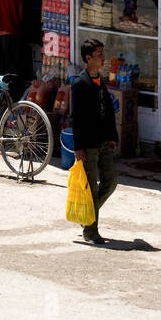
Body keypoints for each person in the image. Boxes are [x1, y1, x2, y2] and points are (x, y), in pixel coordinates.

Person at [70, 38, 119, 244]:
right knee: (90, 187)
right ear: (88, 58)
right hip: (88, 145)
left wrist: (112, 137)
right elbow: (77, 118)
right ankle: (91, 232)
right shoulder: (79, 84)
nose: (103, 57)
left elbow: (107, 111)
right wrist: (78, 147)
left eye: (102, 53)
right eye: (99, 54)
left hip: (104, 142)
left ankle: (87, 218)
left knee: (110, 182)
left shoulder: (101, 81)